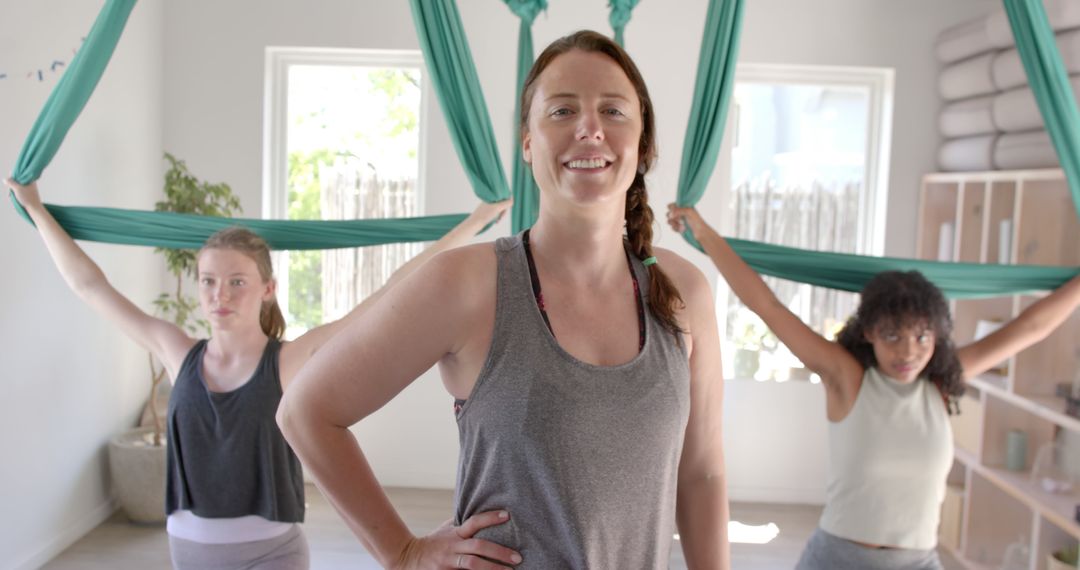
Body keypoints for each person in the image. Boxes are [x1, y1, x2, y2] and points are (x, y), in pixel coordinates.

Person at [277, 30, 730, 569]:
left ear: (644, 144)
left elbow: (701, 474)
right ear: (528, 143)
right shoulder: (466, 283)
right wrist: (403, 553)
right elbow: (306, 412)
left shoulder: (683, 295)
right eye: (562, 111)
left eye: (613, 110)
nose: (590, 129)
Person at [6, 175, 509, 570]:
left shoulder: (288, 360)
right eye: (208, 282)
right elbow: (91, 286)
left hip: (271, 557)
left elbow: (391, 293)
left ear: (267, 289)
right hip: (187, 554)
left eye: (236, 282)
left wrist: (476, 222)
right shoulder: (177, 352)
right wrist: (33, 207)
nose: (219, 295)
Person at [666, 204, 1080, 570]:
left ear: (937, 336)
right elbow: (766, 305)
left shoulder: (939, 383)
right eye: (892, 336)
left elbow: (1032, 327)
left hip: (919, 561)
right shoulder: (847, 378)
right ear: (868, 334)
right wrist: (703, 233)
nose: (908, 352)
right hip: (839, 559)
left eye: (922, 337)